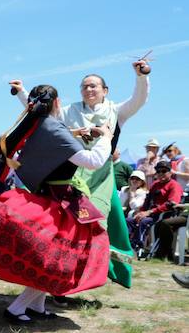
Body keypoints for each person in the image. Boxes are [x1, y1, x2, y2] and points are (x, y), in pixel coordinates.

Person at [0, 84, 113, 324]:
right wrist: (106, 138)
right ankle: (18, 308)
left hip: (49, 196)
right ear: (57, 103)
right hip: (60, 200)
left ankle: (37, 305)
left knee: (54, 256)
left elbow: (47, 125)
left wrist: (77, 133)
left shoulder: (38, 125)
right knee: (58, 260)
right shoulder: (54, 128)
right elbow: (93, 161)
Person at [10, 60, 149, 288]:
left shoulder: (116, 111)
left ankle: (76, 277)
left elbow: (138, 101)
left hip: (101, 177)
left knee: (97, 227)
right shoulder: (69, 111)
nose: (88, 89)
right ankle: (57, 279)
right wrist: (22, 93)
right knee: (67, 229)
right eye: (84, 86)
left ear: (105, 91)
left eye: (93, 86)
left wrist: (142, 77)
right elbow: (43, 111)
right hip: (72, 175)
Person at [127, 161, 182, 259]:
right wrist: (141, 212)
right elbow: (147, 201)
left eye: (164, 171)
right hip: (150, 213)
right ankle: (126, 245)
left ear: (170, 172)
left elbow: (171, 204)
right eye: (158, 171)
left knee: (144, 222)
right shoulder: (155, 184)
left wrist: (149, 212)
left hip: (163, 215)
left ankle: (138, 248)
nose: (161, 174)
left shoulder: (174, 185)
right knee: (129, 221)